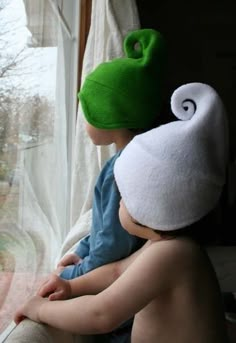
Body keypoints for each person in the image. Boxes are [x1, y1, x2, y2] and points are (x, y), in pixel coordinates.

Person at [14, 82, 230, 342]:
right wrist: (71, 286)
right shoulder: (164, 244)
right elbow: (116, 272)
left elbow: (101, 315)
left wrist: (41, 309)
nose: (117, 203)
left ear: (151, 207)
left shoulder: (174, 255)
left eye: (124, 196)